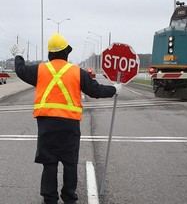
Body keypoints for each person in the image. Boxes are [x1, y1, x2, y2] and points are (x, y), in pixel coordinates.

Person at [10, 33, 122, 204]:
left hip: (47, 124)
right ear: (66, 52)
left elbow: (21, 70)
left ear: (50, 54)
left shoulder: (40, 70)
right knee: (70, 162)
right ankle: (69, 197)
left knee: (49, 161)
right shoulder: (77, 72)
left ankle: (50, 197)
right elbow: (96, 90)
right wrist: (114, 89)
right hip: (69, 124)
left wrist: (18, 56)